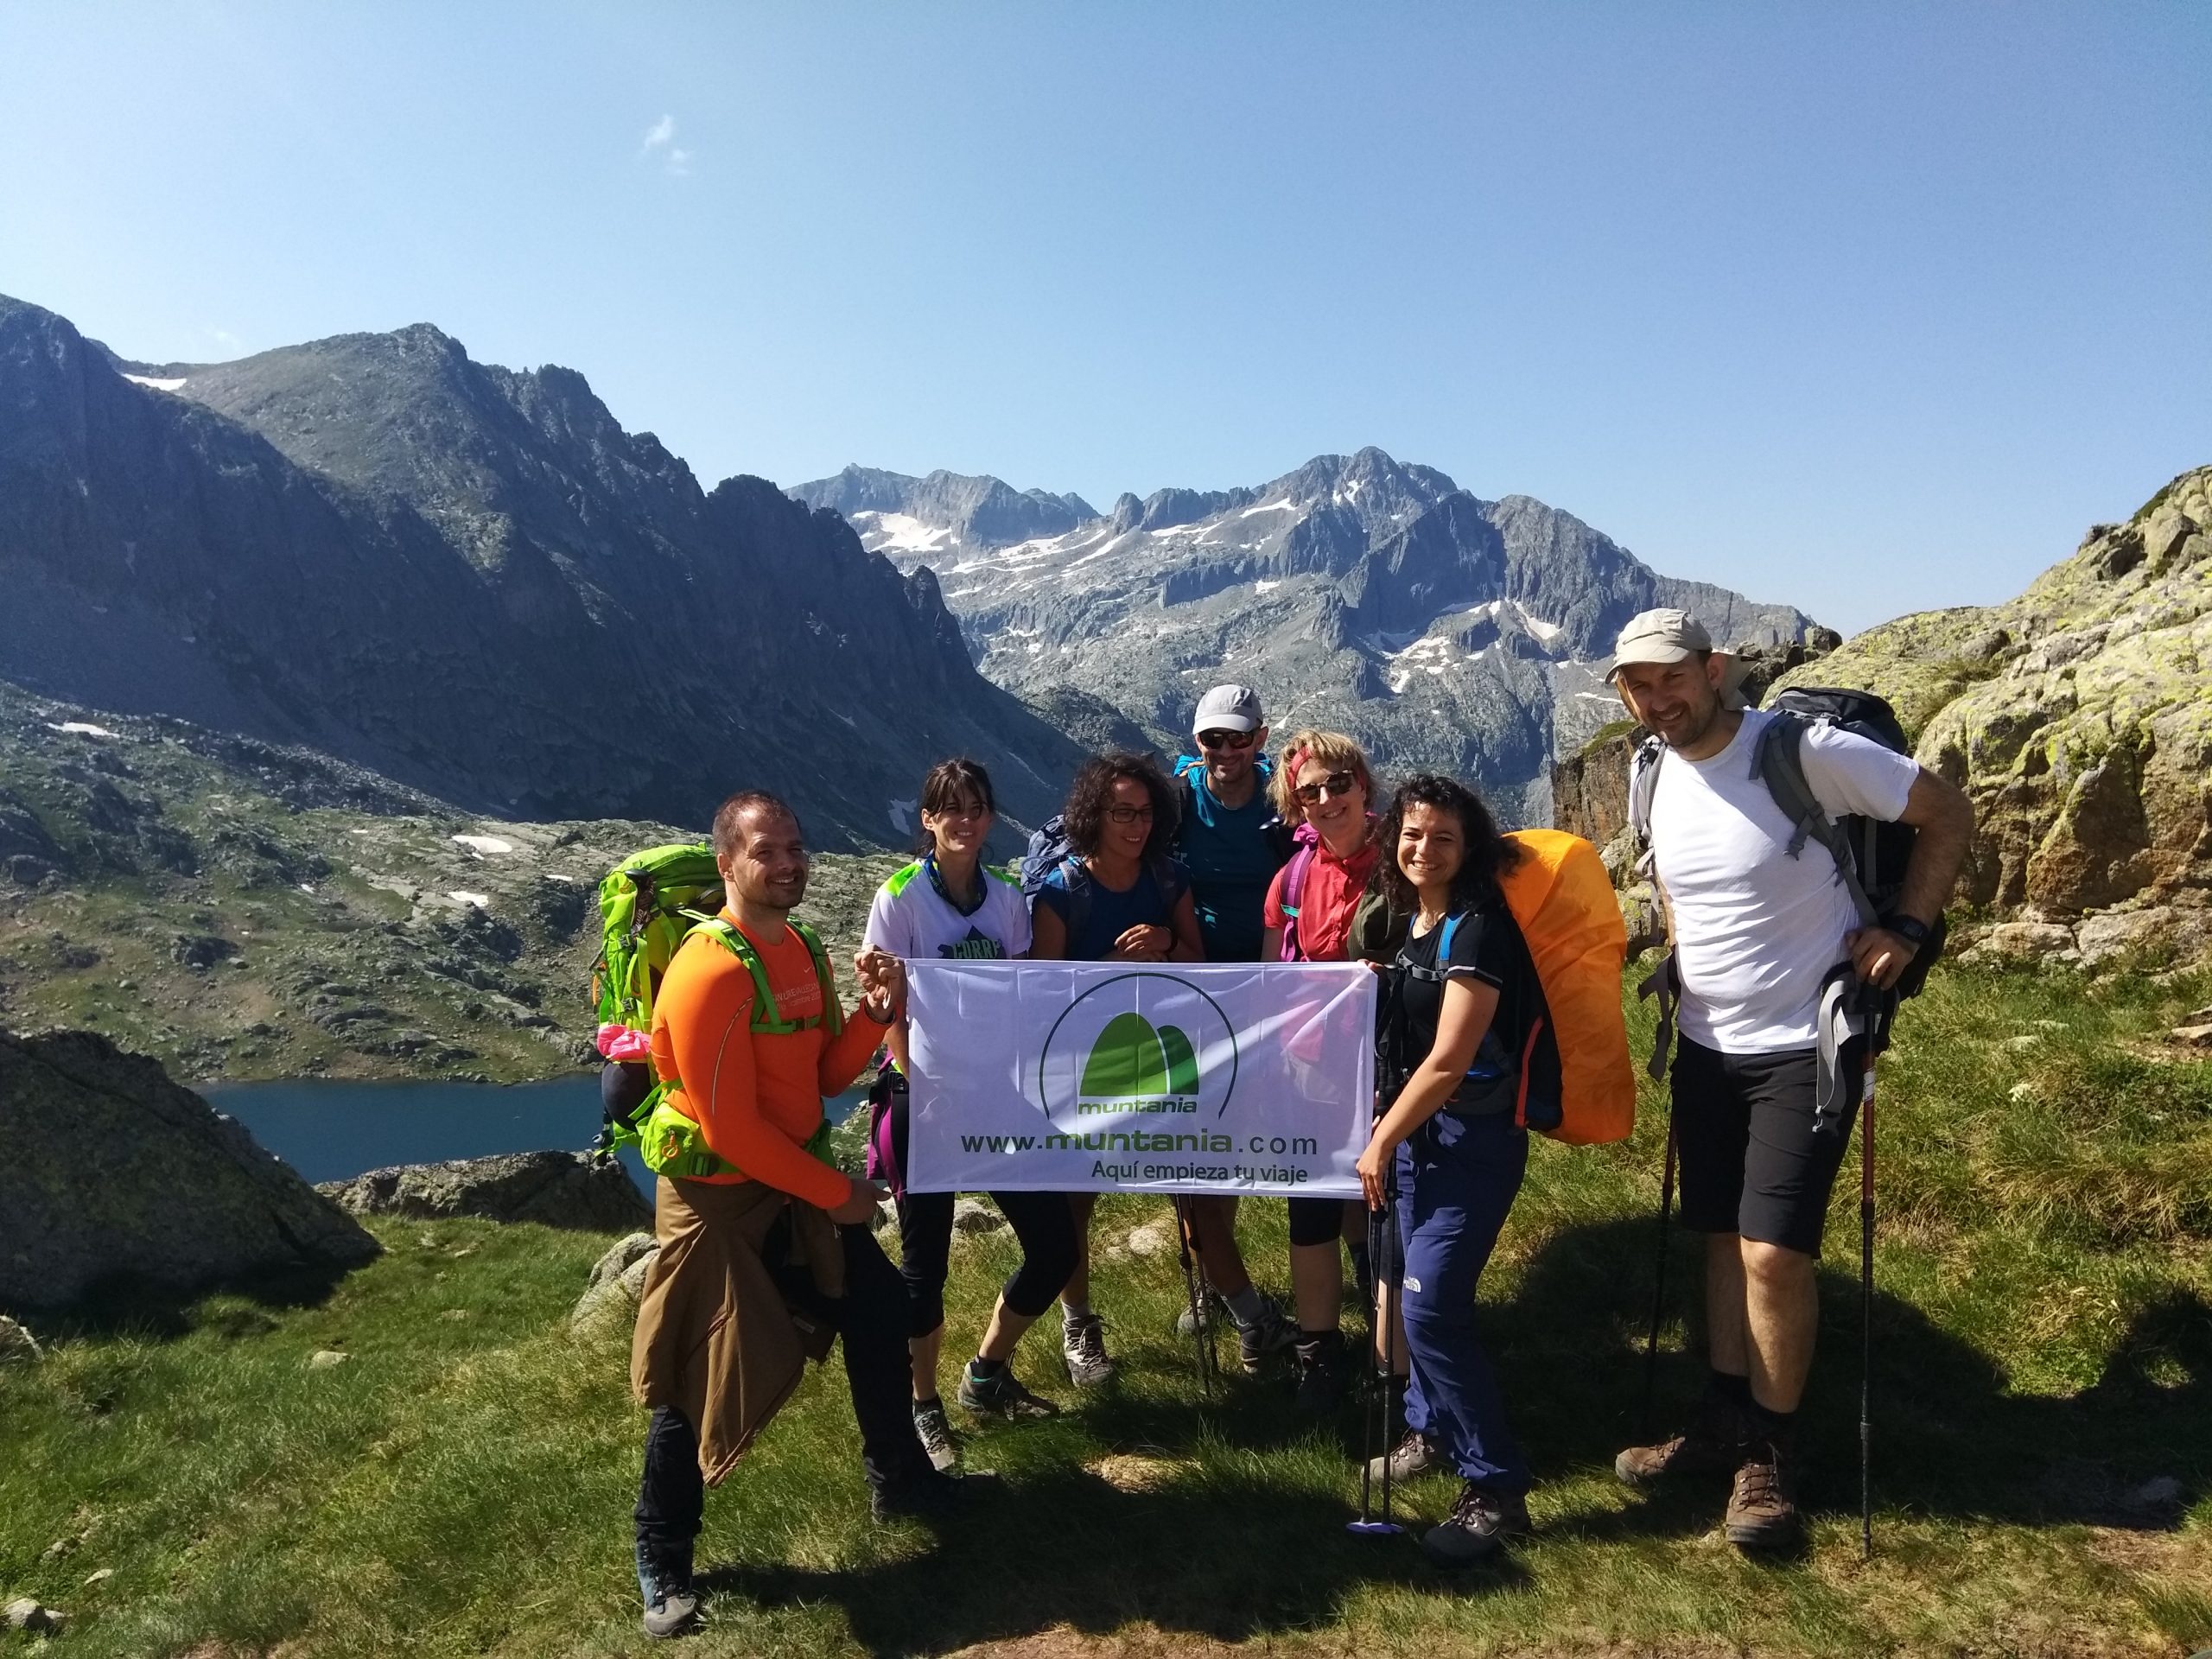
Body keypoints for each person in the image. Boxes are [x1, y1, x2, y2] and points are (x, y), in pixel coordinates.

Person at [1605, 607, 1973, 1550]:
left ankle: (1769, 1457)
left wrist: (1907, 932)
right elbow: (1684, 893)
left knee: (1773, 1253)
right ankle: (1723, 1418)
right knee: (1720, 1238)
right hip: (1703, 1043)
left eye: (1670, 680)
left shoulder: (1801, 753)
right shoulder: (1650, 771)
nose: (1656, 701)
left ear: (1713, 669)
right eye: (1636, 687)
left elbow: (1945, 811)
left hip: (1801, 1046)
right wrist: (1682, 962)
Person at [628, 790, 960, 1640]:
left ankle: (899, 1478)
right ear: (728, 864)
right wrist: (839, 1195)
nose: (786, 865)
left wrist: (877, 1016)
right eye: (764, 852)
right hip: (720, 1201)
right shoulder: (711, 970)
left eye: (793, 849)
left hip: (791, 1184)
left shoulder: (801, 946)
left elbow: (819, 1078)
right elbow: (731, 1128)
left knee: (881, 1308)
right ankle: (662, 1559)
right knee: (697, 1375)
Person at [862, 758, 1078, 1471]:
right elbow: (886, 1003)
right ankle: (925, 1407)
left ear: (989, 819)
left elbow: (1019, 995)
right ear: (927, 819)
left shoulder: (1008, 898)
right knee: (925, 1273)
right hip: (921, 1100)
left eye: (975, 808)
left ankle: (985, 1374)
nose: (962, 820)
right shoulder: (898, 898)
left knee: (1055, 1248)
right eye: (947, 809)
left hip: (994, 1097)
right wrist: (926, 1079)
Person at [1353, 774, 1548, 1566]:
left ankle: (1496, 1489)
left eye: (1442, 838)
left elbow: (1449, 1061)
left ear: (1468, 850)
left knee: (1430, 1311)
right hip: (1418, 1143)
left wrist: (1377, 1141)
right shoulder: (1414, 924)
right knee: (1399, 1287)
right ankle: (1427, 1430)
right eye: (1412, 834)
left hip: (1469, 1141)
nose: (1422, 849)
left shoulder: (1477, 930)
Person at [1030, 751, 1204, 1386]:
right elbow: (1045, 993)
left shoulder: (1168, 879)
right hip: (1086, 1064)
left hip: (1161, 1048)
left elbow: (1201, 964)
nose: (1135, 824)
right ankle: (1078, 1325)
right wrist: (1113, 959)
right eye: (1121, 812)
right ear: (1093, 815)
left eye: (1145, 812)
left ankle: (1208, 1291)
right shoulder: (1060, 891)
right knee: (1078, 1199)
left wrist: (1165, 946)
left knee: (1185, 1172)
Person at [1166, 684, 1297, 1374]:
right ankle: (1222, 1282)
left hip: (1273, 986)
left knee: (1239, 1126)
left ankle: (1229, 1279)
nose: (1224, 752)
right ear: (1197, 744)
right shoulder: (1181, 798)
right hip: (1194, 987)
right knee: (1201, 1133)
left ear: (1260, 738)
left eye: (1237, 739)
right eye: (1211, 740)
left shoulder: (1284, 796)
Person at [1258, 728, 1383, 1411]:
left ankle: (1391, 1353)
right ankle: (1321, 1354)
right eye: (1312, 791)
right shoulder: (1293, 879)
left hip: (1392, 1067)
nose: (1329, 798)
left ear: (1364, 784)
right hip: (1312, 1066)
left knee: (1380, 1205)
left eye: (1340, 783)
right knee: (1311, 1207)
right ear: (1296, 807)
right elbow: (1274, 975)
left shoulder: (1405, 858)